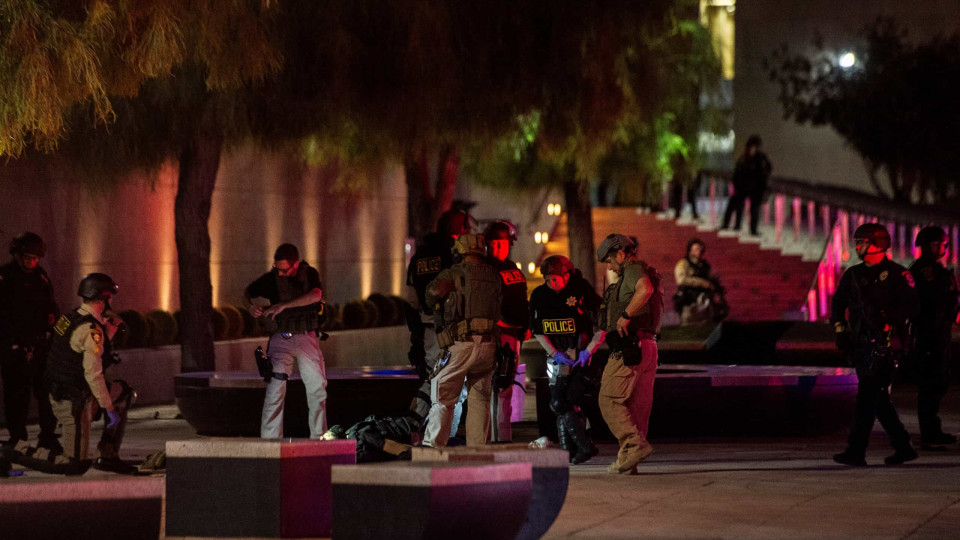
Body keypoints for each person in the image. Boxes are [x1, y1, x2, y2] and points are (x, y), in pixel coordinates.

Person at [831, 223, 919, 466]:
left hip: (886, 345)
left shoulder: (898, 275)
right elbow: (837, 304)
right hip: (860, 345)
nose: (858, 246)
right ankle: (903, 446)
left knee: (866, 398)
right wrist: (840, 329)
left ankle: (856, 451)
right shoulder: (853, 275)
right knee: (878, 399)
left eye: (863, 242)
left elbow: (913, 308)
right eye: (857, 242)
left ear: (878, 244)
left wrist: (888, 317)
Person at [35, 273, 136, 475]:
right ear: (104, 298)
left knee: (123, 393)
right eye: (110, 297)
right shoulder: (91, 329)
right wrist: (109, 409)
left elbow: (73, 352)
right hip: (74, 401)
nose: (112, 301)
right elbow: (93, 373)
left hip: (63, 393)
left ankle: (108, 456)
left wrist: (107, 335)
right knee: (75, 464)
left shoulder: (70, 318)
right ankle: (12, 452)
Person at [421, 233, 502, 448]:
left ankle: (433, 448)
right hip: (489, 346)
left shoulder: (454, 273)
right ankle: (477, 452)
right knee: (480, 401)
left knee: (443, 397)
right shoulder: (494, 274)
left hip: (461, 343)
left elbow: (432, 293)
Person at [596, 234, 664, 474]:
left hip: (630, 347)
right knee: (636, 406)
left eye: (610, 261)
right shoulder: (641, 270)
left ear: (621, 254)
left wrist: (624, 316)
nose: (610, 266)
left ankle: (634, 445)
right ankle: (629, 461)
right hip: (648, 346)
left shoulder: (634, 269)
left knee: (609, 399)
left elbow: (644, 289)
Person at [245, 243, 327, 439]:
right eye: (277, 269)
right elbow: (247, 292)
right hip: (281, 338)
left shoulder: (309, 274)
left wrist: (284, 306)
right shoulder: (272, 278)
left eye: (284, 269)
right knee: (275, 388)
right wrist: (249, 307)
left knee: (317, 389)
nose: (280, 274)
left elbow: (316, 295)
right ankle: (270, 441)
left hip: (306, 337)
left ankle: (319, 438)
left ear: (295, 265)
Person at [404, 209, 472, 441]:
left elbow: (411, 301)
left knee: (436, 379)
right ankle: (439, 435)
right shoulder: (453, 255)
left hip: (429, 332)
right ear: (460, 229)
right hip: (453, 329)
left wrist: (417, 337)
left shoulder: (419, 257)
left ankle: (424, 427)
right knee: (451, 384)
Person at [529, 255, 603, 464]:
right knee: (558, 402)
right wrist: (554, 353)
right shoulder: (540, 295)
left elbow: (602, 323)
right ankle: (570, 449)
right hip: (557, 358)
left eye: (556, 279)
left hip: (580, 358)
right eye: (547, 279)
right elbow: (537, 330)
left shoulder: (581, 290)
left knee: (566, 401)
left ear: (567, 275)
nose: (552, 284)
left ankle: (581, 447)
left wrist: (588, 351)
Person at [0, 232, 60, 453]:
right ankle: (18, 439)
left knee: (47, 394)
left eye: (35, 258)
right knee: (17, 396)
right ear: (17, 255)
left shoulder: (41, 277)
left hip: (40, 346)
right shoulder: (5, 277)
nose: (31, 262)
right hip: (14, 347)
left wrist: (56, 334)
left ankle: (48, 437)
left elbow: (52, 308)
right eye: (27, 257)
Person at [909, 226, 960, 450]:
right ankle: (930, 432)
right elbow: (929, 301)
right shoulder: (922, 270)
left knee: (940, 380)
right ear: (926, 245)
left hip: (941, 331)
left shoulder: (938, 269)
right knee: (931, 383)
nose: (942, 248)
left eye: (944, 244)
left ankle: (933, 429)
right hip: (928, 332)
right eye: (937, 244)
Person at [483, 220, 529, 443]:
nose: (499, 247)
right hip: (495, 334)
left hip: (513, 335)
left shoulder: (513, 269)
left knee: (505, 388)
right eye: (495, 243)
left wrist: (526, 327)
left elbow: (522, 301)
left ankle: (503, 437)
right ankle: (490, 438)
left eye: (503, 243)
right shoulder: (484, 269)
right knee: (490, 387)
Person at [720, 135, 771, 236]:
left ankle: (752, 229)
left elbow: (766, 171)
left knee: (753, 209)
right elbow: (738, 172)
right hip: (743, 187)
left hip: (754, 188)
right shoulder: (744, 159)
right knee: (735, 204)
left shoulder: (761, 159)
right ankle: (730, 224)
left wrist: (762, 187)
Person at [673, 238, 727, 325]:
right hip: (689, 299)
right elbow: (681, 280)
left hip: (704, 298)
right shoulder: (684, 263)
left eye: (701, 249)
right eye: (697, 248)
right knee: (688, 323)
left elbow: (710, 278)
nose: (700, 251)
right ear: (690, 251)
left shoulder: (704, 265)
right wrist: (702, 282)